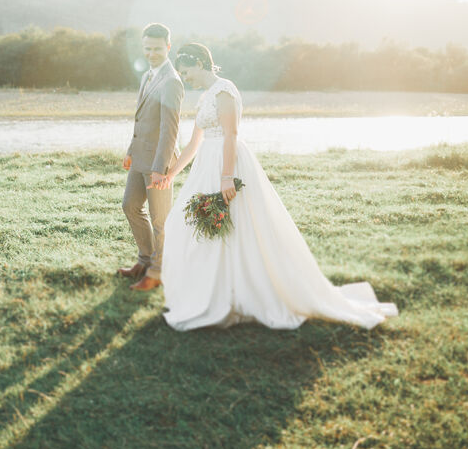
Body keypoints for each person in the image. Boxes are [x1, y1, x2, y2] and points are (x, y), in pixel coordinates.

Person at [161, 43, 398, 330]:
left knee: (234, 228)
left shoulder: (224, 91)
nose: (185, 77)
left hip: (227, 163)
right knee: (186, 226)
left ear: (199, 63)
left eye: (186, 71)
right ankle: (212, 292)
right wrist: (172, 173)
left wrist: (226, 177)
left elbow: (231, 135)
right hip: (205, 166)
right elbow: (194, 143)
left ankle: (238, 294)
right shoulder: (204, 98)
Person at [118, 23, 184, 291]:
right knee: (130, 206)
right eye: (147, 48)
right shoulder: (147, 75)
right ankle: (145, 261)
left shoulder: (172, 81)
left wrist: (160, 168)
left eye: (157, 49)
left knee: (160, 220)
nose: (152, 53)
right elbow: (141, 119)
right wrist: (130, 151)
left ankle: (158, 272)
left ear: (168, 47)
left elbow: (171, 130)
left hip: (159, 163)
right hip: (140, 157)